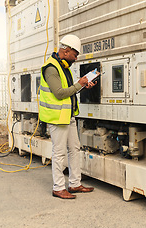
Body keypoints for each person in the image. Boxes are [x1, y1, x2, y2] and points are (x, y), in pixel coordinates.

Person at [39, 34, 97, 199]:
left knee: (74, 149)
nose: (76, 58)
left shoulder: (63, 67)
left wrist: (82, 86)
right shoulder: (51, 68)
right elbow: (59, 93)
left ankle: (74, 184)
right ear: (66, 51)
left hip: (68, 116)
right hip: (57, 118)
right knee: (59, 153)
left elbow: (69, 90)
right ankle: (58, 187)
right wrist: (80, 83)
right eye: (75, 54)